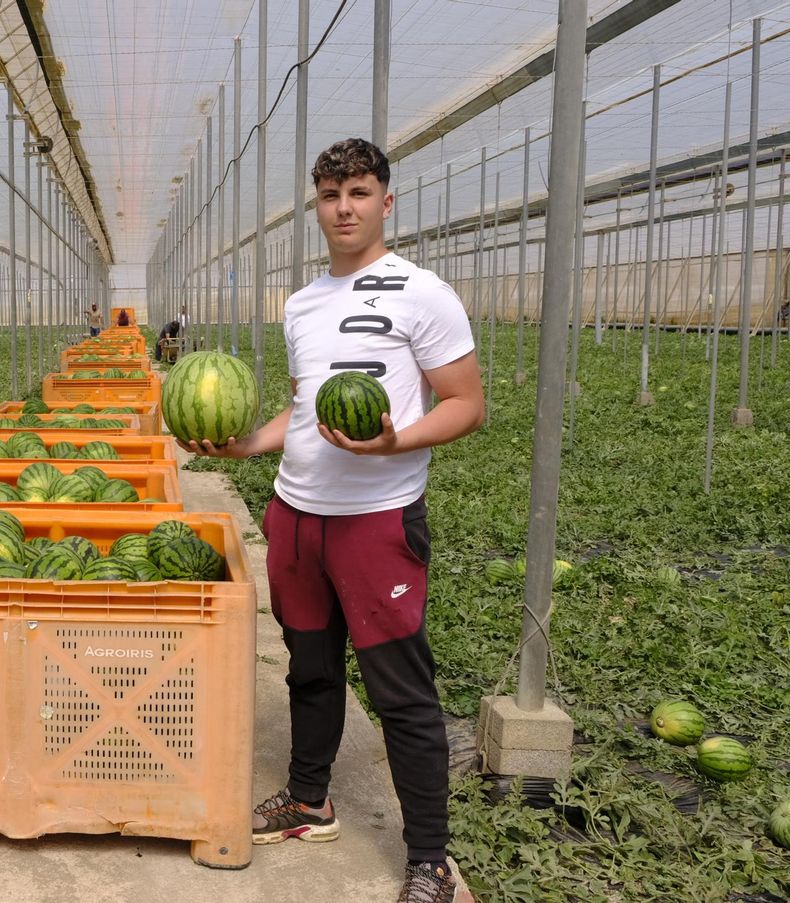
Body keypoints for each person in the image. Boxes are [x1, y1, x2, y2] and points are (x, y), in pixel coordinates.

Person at [184, 138, 482, 903]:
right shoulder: (303, 302)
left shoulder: (424, 293)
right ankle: (309, 800)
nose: (343, 207)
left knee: (400, 690)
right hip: (296, 514)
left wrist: (394, 440)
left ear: (386, 201)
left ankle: (429, 860)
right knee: (310, 669)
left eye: (358, 192)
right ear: (316, 207)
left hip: (376, 521)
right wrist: (248, 443)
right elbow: (302, 408)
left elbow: (467, 405)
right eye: (329, 194)